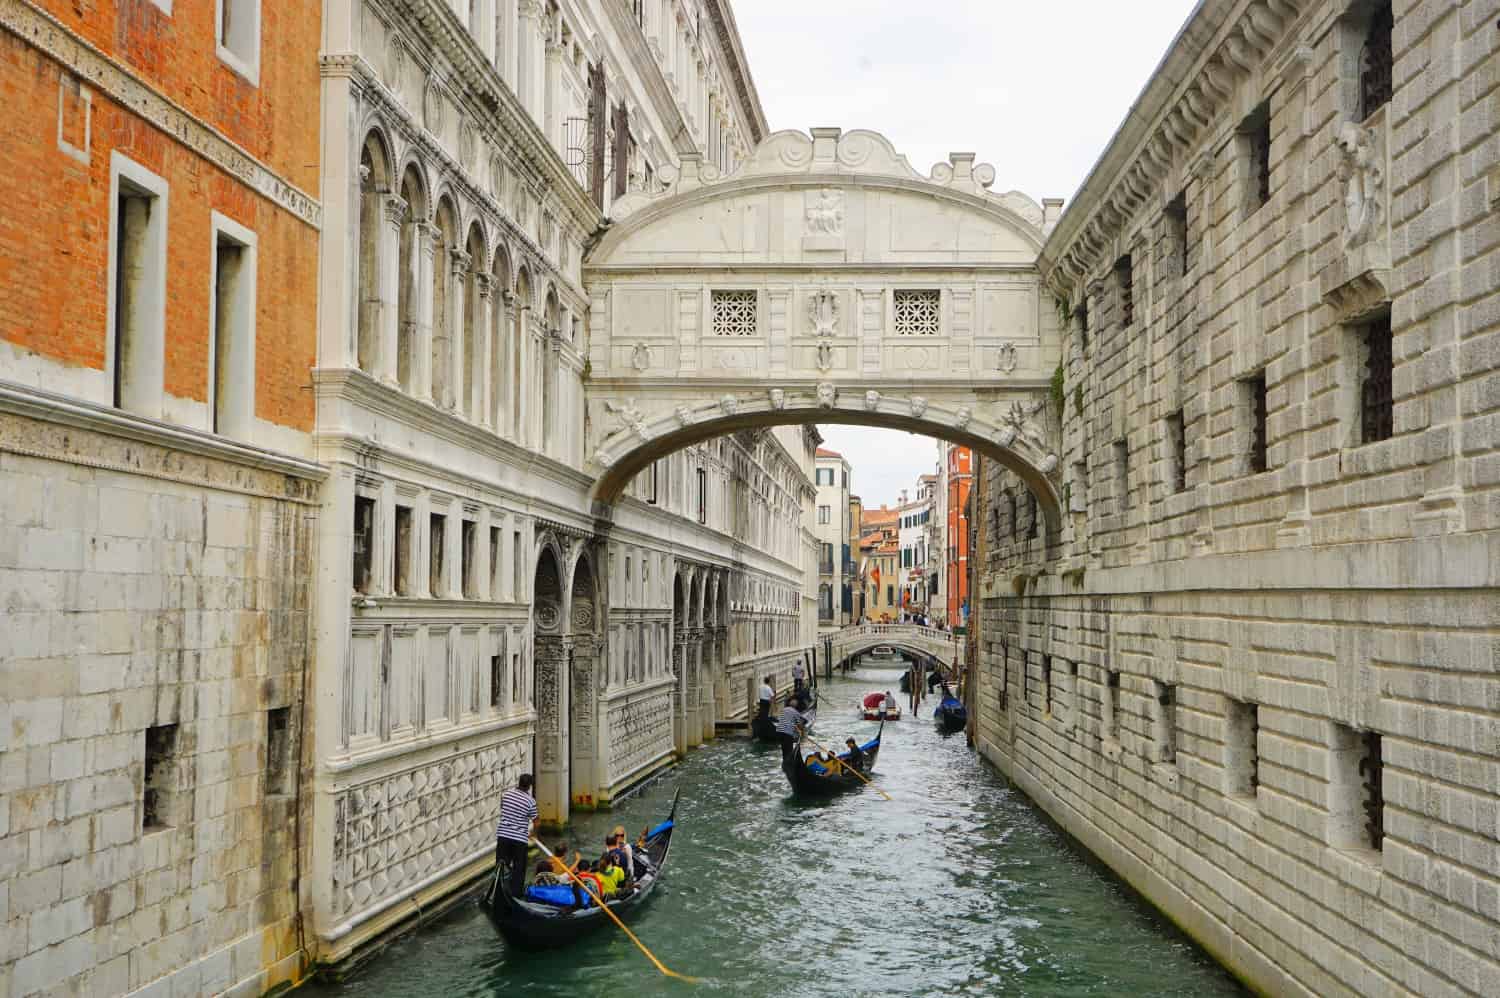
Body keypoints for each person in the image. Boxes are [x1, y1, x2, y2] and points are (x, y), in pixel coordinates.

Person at [494, 773, 538, 898]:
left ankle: (499, 890)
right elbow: (536, 821)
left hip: (503, 836)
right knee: (519, 867)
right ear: (529, 786)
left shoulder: (506, 795)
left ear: (519, 782)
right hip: (519, 839)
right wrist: (533, 834)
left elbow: (504, 810)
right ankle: (516, 894)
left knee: (501, 864)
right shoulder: (530, 801)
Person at [774, 697, 806, 762]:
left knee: (784, 749)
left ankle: (785, 762)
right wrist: (803, 734)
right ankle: (789, 763)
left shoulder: (783, 709)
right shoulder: (796, 712)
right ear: (796, 706)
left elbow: (783, 719)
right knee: (789, 750)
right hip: (787, 733)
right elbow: (800, 725)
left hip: (779, 732)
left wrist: (794, 725)